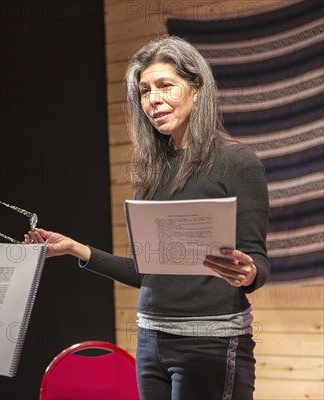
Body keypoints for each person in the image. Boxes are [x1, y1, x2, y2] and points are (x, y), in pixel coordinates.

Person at [26, 36, 269, 400]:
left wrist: (248, 272)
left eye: (165, 86)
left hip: (211, 345)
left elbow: (258, 264)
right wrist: (77, 249)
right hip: (151, 342)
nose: (153, 99)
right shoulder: (150, 174)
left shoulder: (238, 163)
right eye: (144, 90)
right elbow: (147, 272)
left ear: (196, 88)